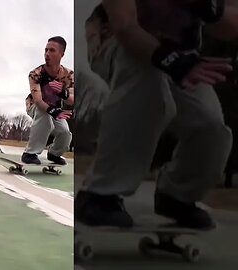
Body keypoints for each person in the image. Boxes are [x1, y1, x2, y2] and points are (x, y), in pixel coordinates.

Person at [75, 0, 238, 230]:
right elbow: (124, 25)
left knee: (210, 125)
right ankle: (99, 193)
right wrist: (170, 61)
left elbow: (232, 23)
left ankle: (176, 195)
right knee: (149, 86)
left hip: (183, 54)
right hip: (117, 41)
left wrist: (209, 8)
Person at [21, 36, 75, 165]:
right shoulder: (36, 73)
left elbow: (71, 101)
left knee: (65, 133)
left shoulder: (69, 75)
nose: (47, 54)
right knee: (45, 116)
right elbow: (38, 101)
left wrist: (64, 93)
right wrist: (53, 111)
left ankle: (54, 153)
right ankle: (30, 153)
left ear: (62, 54)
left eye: (52, 51)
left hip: (55, 108)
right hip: (36, 105)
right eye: (46, 50)